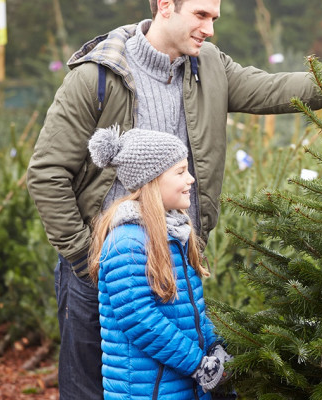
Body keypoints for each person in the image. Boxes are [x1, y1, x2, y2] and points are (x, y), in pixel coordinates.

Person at [25, 0, 322, 397]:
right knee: (91, 389)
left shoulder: (208, 65)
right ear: (165, 6)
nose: (210, 29)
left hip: (175, 269)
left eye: (214, 18)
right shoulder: (96, 75)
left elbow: (269, 88)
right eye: (200, 15)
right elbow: (46, 173)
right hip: (98, 268)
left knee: (170, 386)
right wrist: (84, 258)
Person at [87, 126, 232, 399]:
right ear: (152, 180)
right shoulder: (127, 242)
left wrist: (214, 346)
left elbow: (192, 309)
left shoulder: (176, 233)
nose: (190, 179)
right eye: (180, 171)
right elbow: (140, 319)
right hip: (149, 391)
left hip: (181, 385)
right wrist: (197, 365)